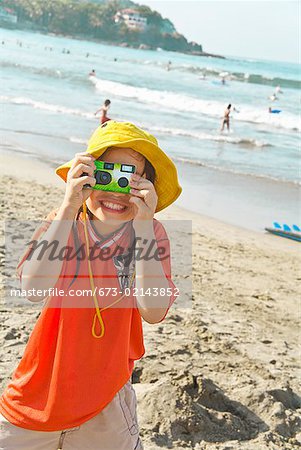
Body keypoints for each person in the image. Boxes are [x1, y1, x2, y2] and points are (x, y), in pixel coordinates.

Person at [0, 121, 182, 449]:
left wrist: (142, 229)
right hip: (40, 389)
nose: (116, 192)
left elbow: (154, 311)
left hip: (105, 399)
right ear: (84, 176)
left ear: (148, 190)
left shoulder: (150, 234)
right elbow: (33, 288)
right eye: (105, 175)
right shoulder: (64, 221)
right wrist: (69, 206)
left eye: (129, 179)